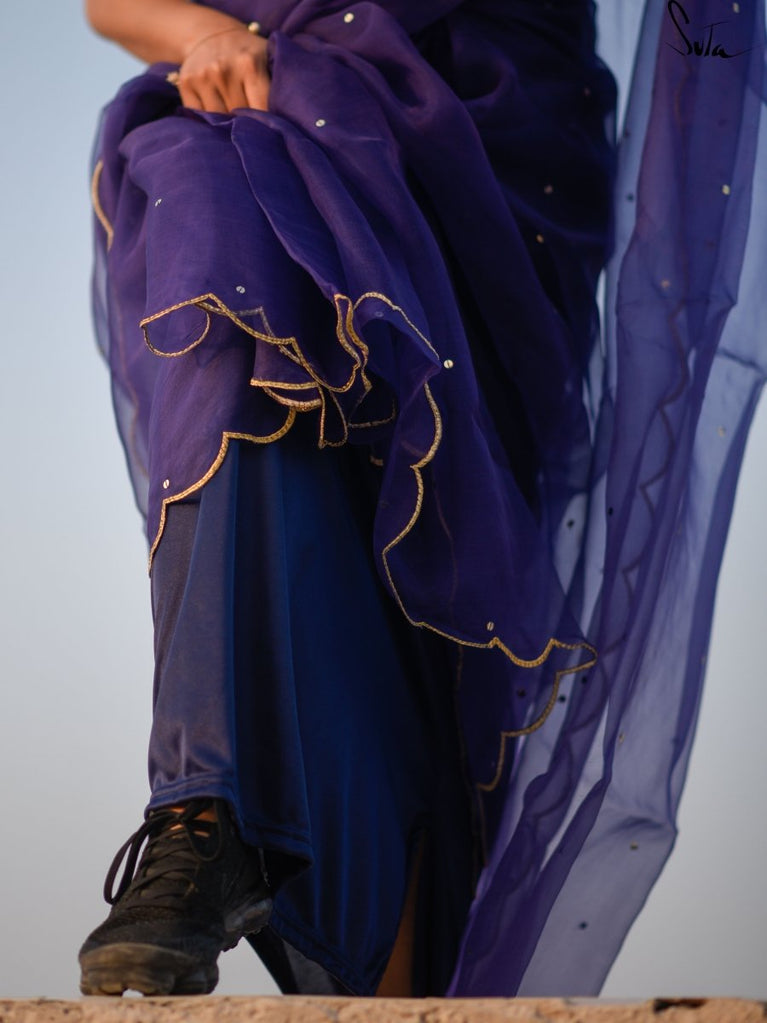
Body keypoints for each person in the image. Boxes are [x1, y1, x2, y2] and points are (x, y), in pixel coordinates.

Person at [80, 0, 767, 1001]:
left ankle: (394, 981)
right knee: (226, 284)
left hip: (493, 144)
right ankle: (202, 814)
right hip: (258, 89)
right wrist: (200, 35)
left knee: (436, 569)